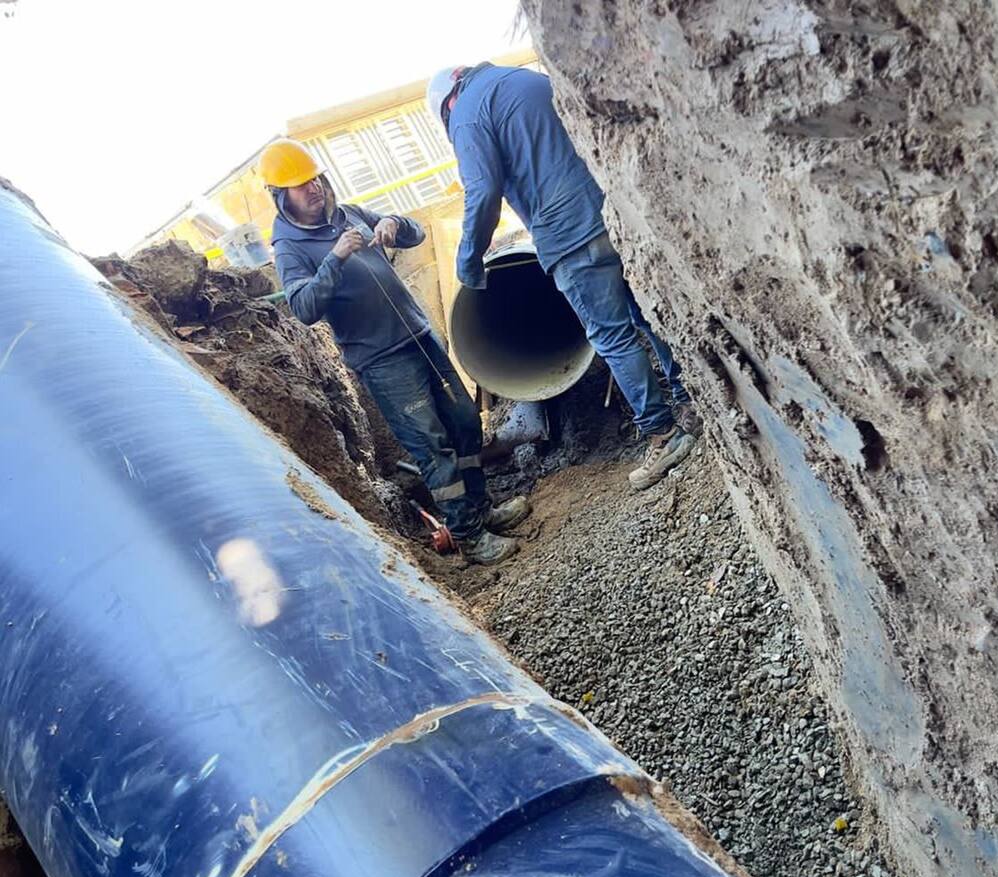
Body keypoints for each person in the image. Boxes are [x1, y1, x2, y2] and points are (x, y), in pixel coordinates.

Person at [427, 64, 699, 490]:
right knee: (645, 314)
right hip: (613, 210)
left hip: (569, 237)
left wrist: (469, 262)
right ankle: (689, 398)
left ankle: (663, 434)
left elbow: (482, 191)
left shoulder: (466, 115)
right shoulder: (525, 79)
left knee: (610, 337)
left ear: (446, 107)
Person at [259, 138, 527, 565]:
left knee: (463, 425)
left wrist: (393, 224)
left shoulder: (348, 213)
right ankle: (470, 537)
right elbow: (304, 307)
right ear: (281, 196)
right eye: (299, 185)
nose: (312, 189)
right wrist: (335, 258)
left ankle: (482, 509)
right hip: (382, 361)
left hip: (419, 336)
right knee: (431, 446)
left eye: (314, 179)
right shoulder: (289, 248)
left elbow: (416, 231)